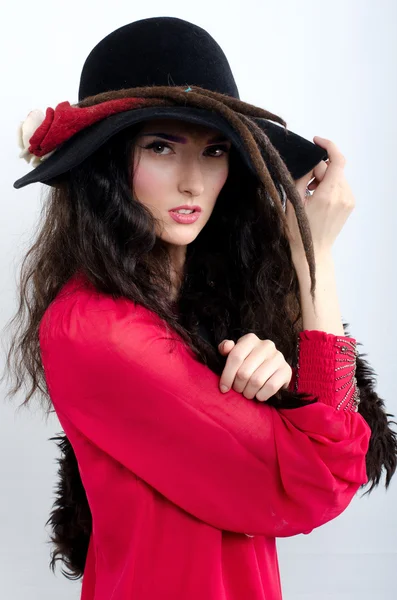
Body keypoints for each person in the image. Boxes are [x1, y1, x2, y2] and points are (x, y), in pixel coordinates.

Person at [3, 16, 397, 600]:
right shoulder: (100, 330)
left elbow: (329, 444)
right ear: (108, 165)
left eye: (214, 151)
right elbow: (326, 476)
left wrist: (279, 384)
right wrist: (315, 259)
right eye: (161, 147)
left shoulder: (214, 307)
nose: (193, 182)